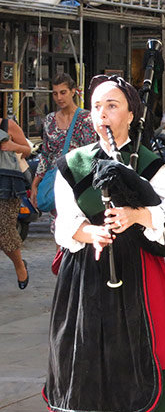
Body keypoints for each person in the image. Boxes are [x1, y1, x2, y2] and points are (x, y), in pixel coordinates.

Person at [42, 75, 165, 412]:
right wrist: (89, 232)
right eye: (97, 106)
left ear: (132, 115)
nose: (103, 114)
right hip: (87, 277)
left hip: (140, 274)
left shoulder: (151, 162)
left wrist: (138, 216)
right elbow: (63, 222)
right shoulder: (74, 163)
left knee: (153, 351)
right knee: (81, 359)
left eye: (113, 106)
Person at [31, 73, 97, 211]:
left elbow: (91, 154)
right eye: (55, 94)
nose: (59, 98)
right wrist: (35, 184)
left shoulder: (86, 118)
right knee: (58, 227)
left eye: (63, 92)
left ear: (73, 92)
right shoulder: (49, 120)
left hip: (78, 183)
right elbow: (45, 155)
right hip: (56, 182)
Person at [0, 115, 32, 288]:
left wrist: (12, 146)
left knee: (5, 230)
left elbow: (27, 150)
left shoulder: (8, 125)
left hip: (7, 184)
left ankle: (20, 265)